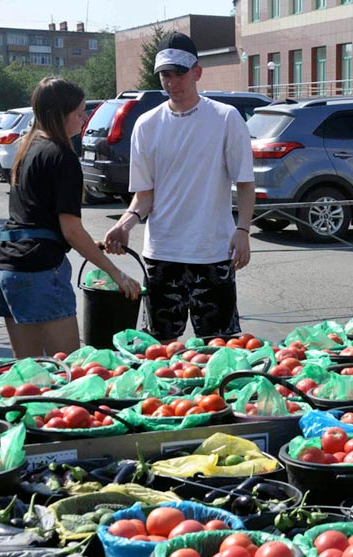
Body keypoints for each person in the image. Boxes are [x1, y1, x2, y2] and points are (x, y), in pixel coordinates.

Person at [103, 31, 255, 343]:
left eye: (179, 74)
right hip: (163, 255)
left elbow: (245, 182)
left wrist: (243, 230)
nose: (172, 83)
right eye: (165, 76)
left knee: (220, 348)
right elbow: (145, 195)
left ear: (197, 72)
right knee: (160, 349)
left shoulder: (225, 118)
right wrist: (125, 223)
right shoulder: (147, 125)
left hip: (213, 251)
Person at [0, 77, 141, 358]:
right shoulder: (62, 156)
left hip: (4, 267)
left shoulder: (27, 147)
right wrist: (115, 273)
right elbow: (70, 229)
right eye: (79, 112)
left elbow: (36, 217)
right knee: (69, 371)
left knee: (30, 374)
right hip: (37, 272)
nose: (84, 118)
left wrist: (84, 243)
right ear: (59, 115)